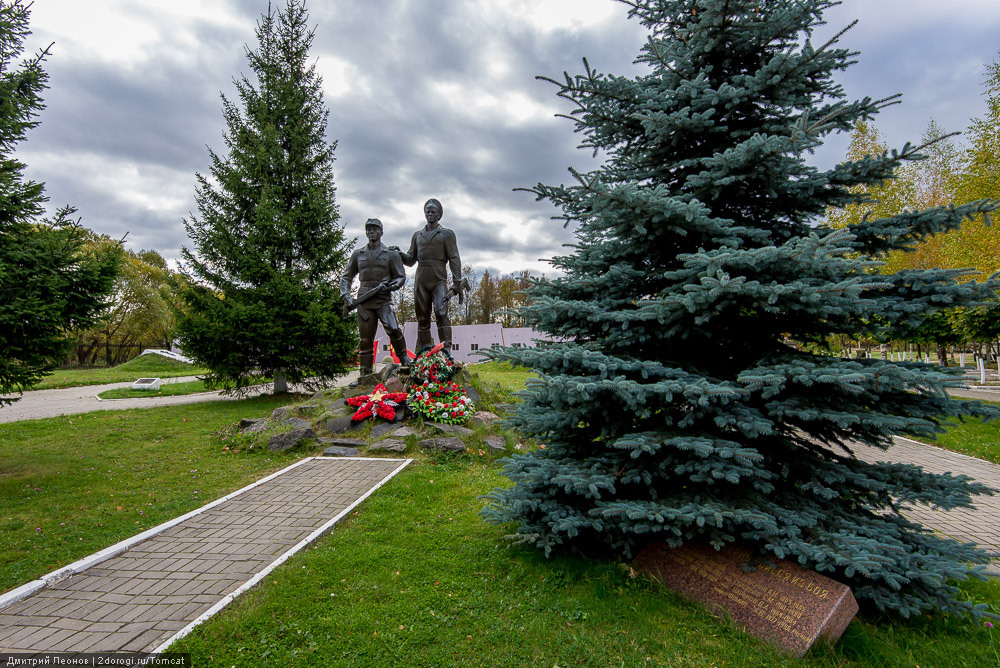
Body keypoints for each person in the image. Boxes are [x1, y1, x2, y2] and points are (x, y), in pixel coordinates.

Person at [340, 218, 408, 376]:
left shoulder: (391, 253)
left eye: (375, 229)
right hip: (364, 301)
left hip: (383, 299)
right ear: (366, 232)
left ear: (381, 232)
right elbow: (346, 277)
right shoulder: (358, 254)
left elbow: (400, 276)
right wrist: (346, 296)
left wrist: (392, 286)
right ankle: (365, 373)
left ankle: (404, 359)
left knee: (394, 329)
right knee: (365, 339)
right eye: (369, 229)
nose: (372, 231)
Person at [399, 198, 462, 350]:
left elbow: (454, 257)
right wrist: (398, 254)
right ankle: (424, 351)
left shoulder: (446, 234)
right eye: (427, 212)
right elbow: (410, 260)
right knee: (422, 317)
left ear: (439, 215)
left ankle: (446, 351)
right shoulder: (417, 236)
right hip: (421, 278)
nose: (430, 214)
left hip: (438, 277)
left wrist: (457, 281)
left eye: (433, 212)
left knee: (441, 312)